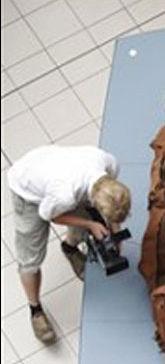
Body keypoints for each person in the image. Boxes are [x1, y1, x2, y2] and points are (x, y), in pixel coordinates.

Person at [7, 145, 131, 344]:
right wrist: (90, 224)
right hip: (27, 187)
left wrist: (115, 230)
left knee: (86, 222)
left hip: (55, 172)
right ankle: (35, 309)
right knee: (30, 258)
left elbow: (112, 210)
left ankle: (69, 248)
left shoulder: (109, 165)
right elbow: (50, 216)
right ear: (95, 201)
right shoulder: (65, 194)